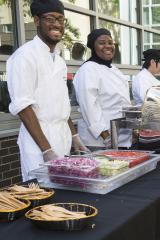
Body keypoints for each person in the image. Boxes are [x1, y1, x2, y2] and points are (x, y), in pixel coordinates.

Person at [6, 0, 88, 181]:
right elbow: (23, 107)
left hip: (62, 136)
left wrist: (74, 135)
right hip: (38, 143)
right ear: (36, 21)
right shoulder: (24, 57)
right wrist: (46, 150)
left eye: (61, 19)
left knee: (64, 194)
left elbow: (61, 103)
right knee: (43, 196)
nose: (57, 24)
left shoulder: (58, 60)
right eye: (50, 18)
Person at [73, 28, 132, 150]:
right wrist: (106, 136)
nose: (108, 46)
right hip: (100, 142)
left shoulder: (114, 69)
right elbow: (89, 107)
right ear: (92, 47)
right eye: (102, 43)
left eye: (110, 43)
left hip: (120, 139)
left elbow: (123, 102)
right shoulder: (88, 69)